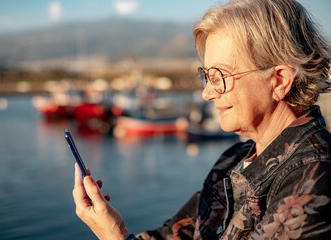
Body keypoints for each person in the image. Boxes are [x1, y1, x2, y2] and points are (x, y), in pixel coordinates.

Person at [72, 0, 331, 239]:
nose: (207, 93)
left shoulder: (316, 177)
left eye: (220, 77)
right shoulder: (234, 160)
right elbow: (176, 234)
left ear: (280, 80)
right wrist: (115, 228)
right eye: (207, 76)